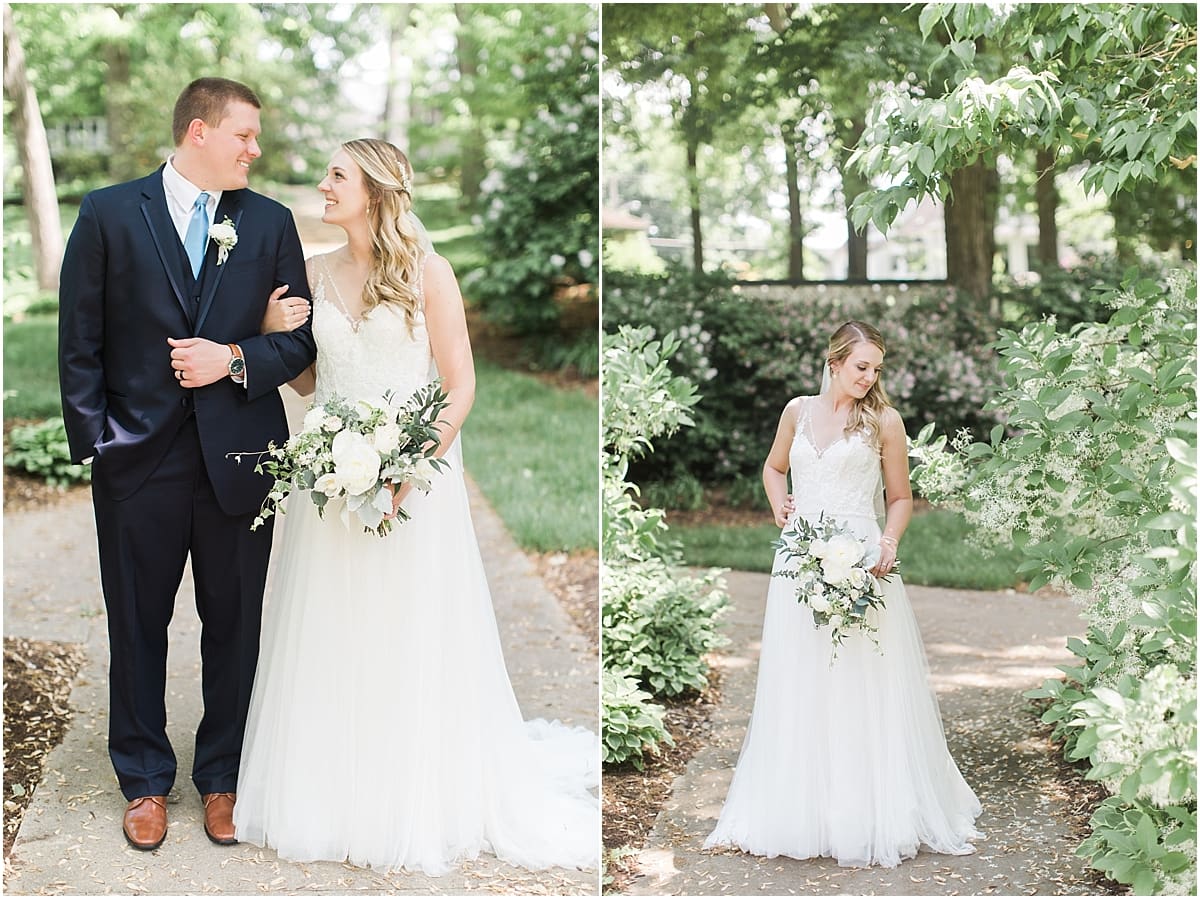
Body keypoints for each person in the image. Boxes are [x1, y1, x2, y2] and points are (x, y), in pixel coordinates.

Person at [232, 139, 599, 875]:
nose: (323, 185)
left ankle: (411, 791)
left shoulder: (430, 273)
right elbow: (310, 386)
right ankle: (330, 790)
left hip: (409, 483)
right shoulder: (313, 275)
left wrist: (409, 462)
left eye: (337, 175)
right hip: (331, 487)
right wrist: (277, 338)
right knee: (333, 629)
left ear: (372, 190)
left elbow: (460, 385)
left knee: (406, 629)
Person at [58, 77, 316, 851]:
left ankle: (224, 776)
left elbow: (302, 342)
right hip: (136, 462)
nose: (255, 150)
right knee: (139, 623)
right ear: (199, 132)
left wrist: (233, 355)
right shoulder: (108, 214)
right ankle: (142, 778)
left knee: (234, 625)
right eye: (245, 135)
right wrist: (99, 444)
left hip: (240, 456)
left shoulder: (268, 221)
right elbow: (79, 343)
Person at [703, 321, 982, 867]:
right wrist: (778, 504)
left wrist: (887, 542)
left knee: (859, 682)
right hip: (799, 562)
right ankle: (801, 809)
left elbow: (899, 497)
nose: (869, 377)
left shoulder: (884, 421)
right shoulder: (797, 411)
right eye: (861, 367)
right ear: (833, 362)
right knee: (801, 680)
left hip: (861, 561)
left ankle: (866, 810)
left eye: (876, 368)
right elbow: (774, 466)